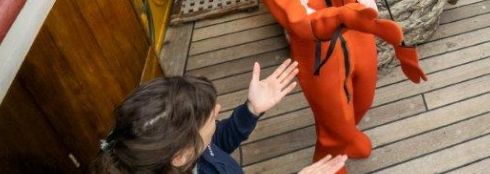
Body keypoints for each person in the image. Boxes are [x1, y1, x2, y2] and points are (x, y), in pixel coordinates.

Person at [257, 0, 426, 168]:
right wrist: (346, 15)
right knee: (333, 118)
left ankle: (349, 136)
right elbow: (302, 21)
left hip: (358, 35)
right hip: (318, 56)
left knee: (364, 96)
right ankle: (329, 157)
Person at [93, 62, 349, 174]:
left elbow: (215, 144)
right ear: (180, 156)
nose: (218, 110)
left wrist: (251, 110)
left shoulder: (180, 153)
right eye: (211, 119)